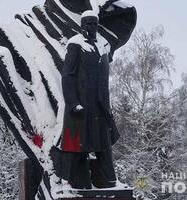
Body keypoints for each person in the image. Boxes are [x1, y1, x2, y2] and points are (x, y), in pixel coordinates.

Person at [60, 10, 120, 189]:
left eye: (94, 23)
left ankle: (110, 182)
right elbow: (68, 76)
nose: (91, 26)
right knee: (79, 146)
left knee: (104, 145)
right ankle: (71, 183)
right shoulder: (75, 44)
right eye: (88, 23)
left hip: (100, 105)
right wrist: (73, 103)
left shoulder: (103, 45)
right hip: (82, 105)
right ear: (82, 25)